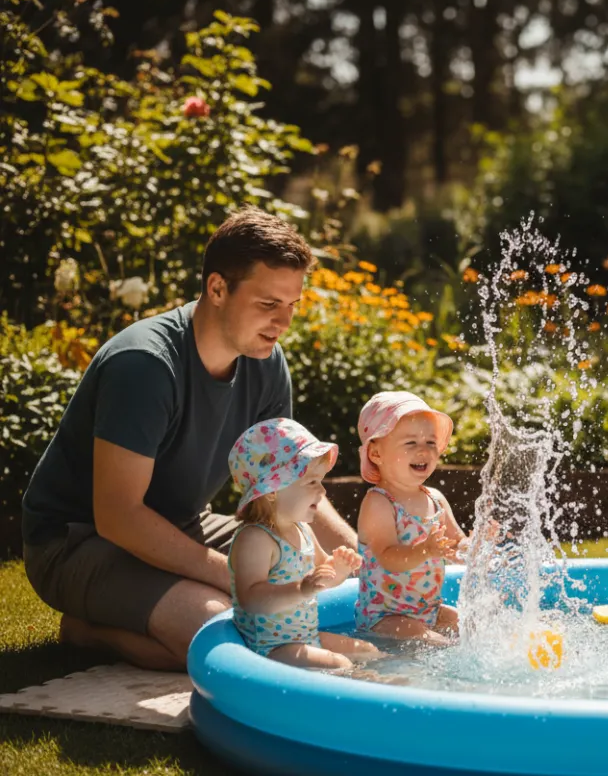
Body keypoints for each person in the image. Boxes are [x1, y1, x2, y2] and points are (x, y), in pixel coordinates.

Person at [21, 207, 356, 671]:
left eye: (291, 305)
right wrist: (235, 577)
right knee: (216, 632)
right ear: (217, 288)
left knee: (318, 587)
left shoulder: (265, 362)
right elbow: (117, 517)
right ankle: (88, 631)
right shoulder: (145, 365)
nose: (283, 323)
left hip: (182, 523)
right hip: (78, 542)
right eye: (267, 304)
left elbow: (291, 480)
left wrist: (358, 556)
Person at [227, 418, 378, 668]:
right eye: (311, 482)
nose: (322, 491)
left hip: (305, 638)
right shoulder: (256, 538)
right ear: (272, 491)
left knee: (368, 651)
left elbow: (322, 577)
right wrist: (301, 589)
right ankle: (370, 693)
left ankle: (389, 686)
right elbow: (250, 598)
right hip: (268, 648)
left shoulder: (303, 529)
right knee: (340, 664)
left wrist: (339, 569)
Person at [354, 391, 470, 645]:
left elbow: (455, 543)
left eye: (430, 443)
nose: (424, 450)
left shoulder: (436, 498)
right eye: (411, 443)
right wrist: (426, 550)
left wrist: (474, 546)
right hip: (385, 616)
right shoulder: (379, 502)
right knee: (442, 646)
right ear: (376, 454)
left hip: (430, 610)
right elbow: (388, 557)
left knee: (475, 629)